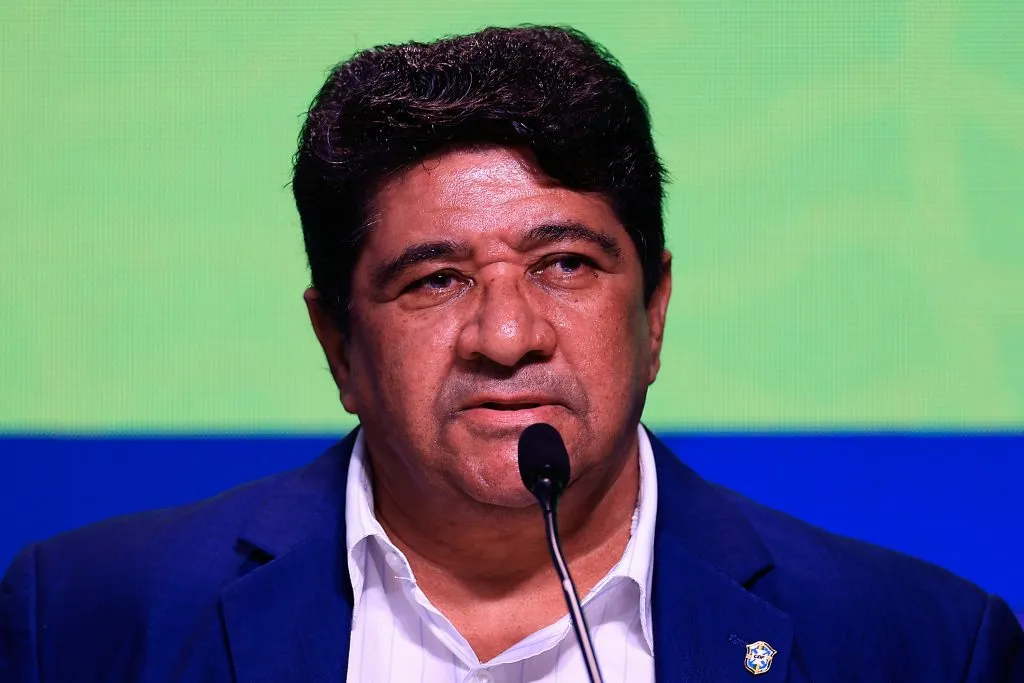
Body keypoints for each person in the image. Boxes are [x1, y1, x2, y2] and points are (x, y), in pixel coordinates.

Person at [1, 25, 1021, 683]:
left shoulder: (918, 645)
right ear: (338, 344)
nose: (506, 335)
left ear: (654, 310)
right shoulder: (84, 620)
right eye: (434, 279)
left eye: (566, 263)